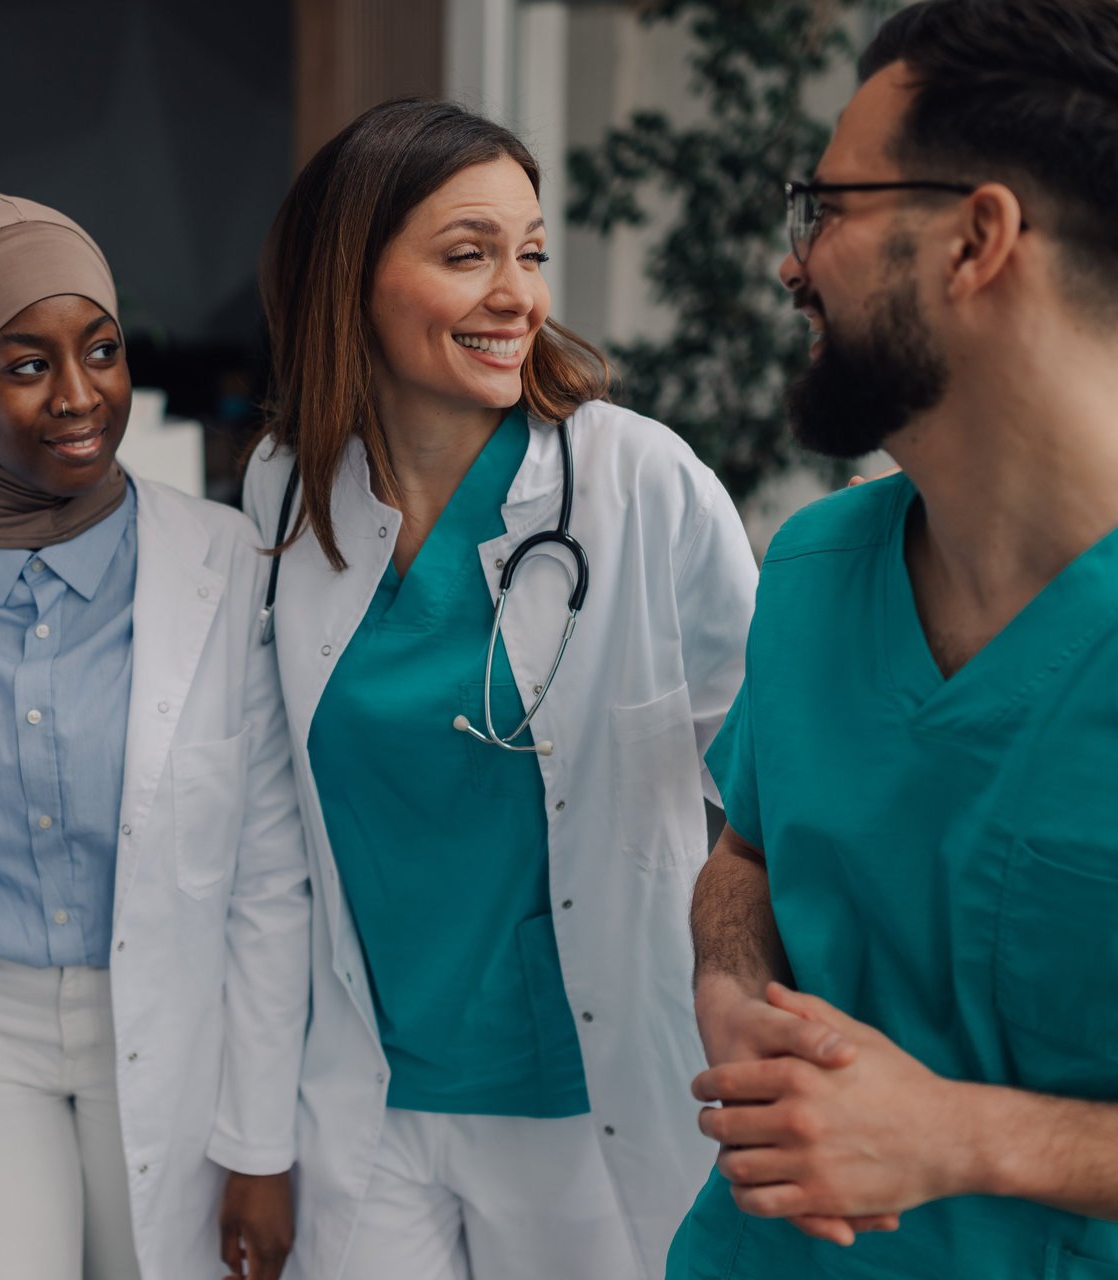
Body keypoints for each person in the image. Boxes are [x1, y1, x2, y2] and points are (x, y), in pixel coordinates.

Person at [669, 1, 1118, 1275]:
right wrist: (730, 986)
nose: (791, 266)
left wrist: (964, 1137)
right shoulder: (814, 569)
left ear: (978, 239)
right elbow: (749, 853)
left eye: (828, 210)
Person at [240, 98, 762, 1280]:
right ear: (348, 278)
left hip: (578, 1096)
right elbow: (271, 828)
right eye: (468, 254)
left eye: (530, 252)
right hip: (367, 1092)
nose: (518, 294)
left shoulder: (636, 482)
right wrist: (256, 1122)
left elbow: (777, 779)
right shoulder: (285, 485)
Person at [0, 190, 309, 1280]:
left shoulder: (225, 561)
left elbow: (270, 877)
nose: (81, 395)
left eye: (102, 350)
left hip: (175, 1027)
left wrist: (261, 1143)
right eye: (28, 364)